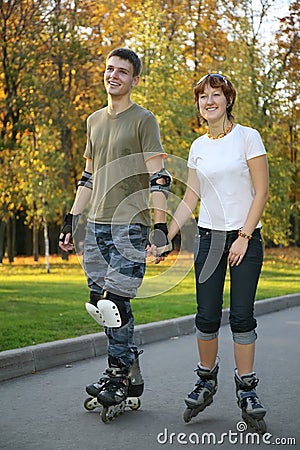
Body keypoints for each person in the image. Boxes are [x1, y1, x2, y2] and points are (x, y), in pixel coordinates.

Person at [59, 48, 172, 415]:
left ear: (134, 80)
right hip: (95, 225)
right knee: (100, 304)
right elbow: (88, 177)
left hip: (131, 225)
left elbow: (160, 176)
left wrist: (159, 226)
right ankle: (126, 372)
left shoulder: (144, 120)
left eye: (122, 72)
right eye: (109, 70)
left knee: (116, 302)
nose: (113, 76)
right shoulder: (94, 120)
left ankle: (119, 375)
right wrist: (71, 218)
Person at [167, 73, 269, 431]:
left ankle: (247, 388)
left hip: (244, 238)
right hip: (209, 240)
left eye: (215, 95)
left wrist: (243, 235)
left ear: (228, 99)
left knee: (242, 317)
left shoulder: (247, 137)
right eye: (202, 97)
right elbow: (191, 198)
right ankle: (206, 380)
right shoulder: (198, 147)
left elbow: (261, 192)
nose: (208, 101)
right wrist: (167, 233)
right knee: (207, 316)